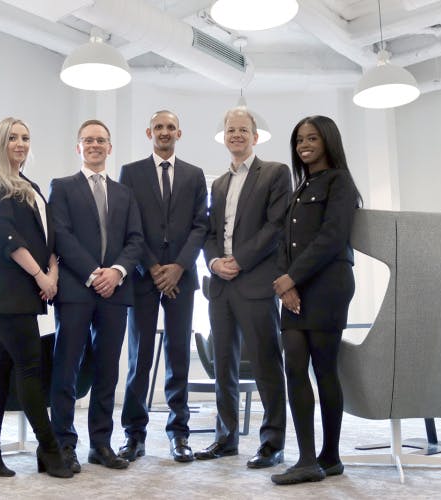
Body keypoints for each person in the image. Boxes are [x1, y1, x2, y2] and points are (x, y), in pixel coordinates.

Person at [0, 117, 71, 478]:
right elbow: (5, 235)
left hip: (30, 288)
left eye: (25, 137)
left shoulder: (31, 187)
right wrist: (39, 275)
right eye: (12, 137)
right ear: (0, 142)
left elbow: (48, 237)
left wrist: (53, 272)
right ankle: (49, 450)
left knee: (0, 367)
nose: (20, 143)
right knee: (30, 368)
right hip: (5, 290)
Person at [270, 115, 362, 485]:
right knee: (295, 367)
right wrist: (284, 282)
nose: (304, 144)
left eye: (312, 138)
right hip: (294, 289)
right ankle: (307, 458)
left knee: (324, 370)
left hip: (328, 284)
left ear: (328, 141)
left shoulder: (340, 182)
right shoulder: (299, 187)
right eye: (299, 140)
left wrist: (293, 276)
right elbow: (283, 243)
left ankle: (330, 456)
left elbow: (332, 236)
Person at [196, 107, 290, 469]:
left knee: (267, 364)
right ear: (225, 136)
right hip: (220, 286)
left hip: (254, 283)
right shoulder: (218, 183)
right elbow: (208, 233)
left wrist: (241, 260)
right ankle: (226, 438)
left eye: (242, 130)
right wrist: (215, 261)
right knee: (224, 367)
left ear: (254, 136)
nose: (235, 135)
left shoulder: (276, 173)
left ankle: (272, 443)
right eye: (230, 130)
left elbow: (276, 225)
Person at [49, 119, 143, 472]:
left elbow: (136, 240)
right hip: (76, 290)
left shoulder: (124, 193)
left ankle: (100, 444)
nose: (95, 145)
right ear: (79, 147)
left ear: (110, 147)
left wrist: (116, 272)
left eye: (101, 140)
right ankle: (64, 443)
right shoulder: (62, 187)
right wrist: (93, 274)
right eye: (88, 140)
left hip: (115, 293)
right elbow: (61, 235)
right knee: (67, 369)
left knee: (107, 372)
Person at [117, 110, 209, 463]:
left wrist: (179, 267)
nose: (165, 132)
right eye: (159, 127)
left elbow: (201, 226)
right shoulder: (131, 172)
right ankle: (133, 436)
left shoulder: (195, 175)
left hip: (181, 279)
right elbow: (128, 223)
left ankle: (179, 434)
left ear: (179, 133)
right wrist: (154, 267)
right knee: (138, 358)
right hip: (143, 275)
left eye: (171, 127)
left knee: (178, 355)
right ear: (149, 132)